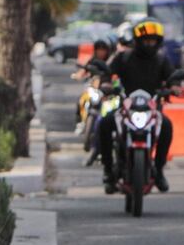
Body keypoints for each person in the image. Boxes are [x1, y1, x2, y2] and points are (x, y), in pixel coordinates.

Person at [98, 17, 176, 193]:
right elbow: (107, 73)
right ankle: (108, 170)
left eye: (153, 40)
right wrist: (106, 84)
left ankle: (159, 170)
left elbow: (172, 78)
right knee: (104, 123)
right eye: (146, 40)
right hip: (126, 108)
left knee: (167, 126)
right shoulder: (123, 57)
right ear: (138, 40)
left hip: (152, 110)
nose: (150, 44)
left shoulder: (162, 60)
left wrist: (174, 87)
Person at [73, 38, 114, 134]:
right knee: (81, 99)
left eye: (103, 50)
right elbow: (83, 70)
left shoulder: (111, 61)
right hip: (93, 88)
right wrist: (78, 75)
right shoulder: (92, 60)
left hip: (106, 89)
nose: (101, 52)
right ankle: (80, 122)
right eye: (99, 49)